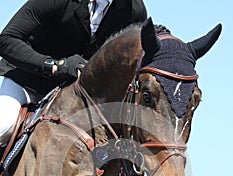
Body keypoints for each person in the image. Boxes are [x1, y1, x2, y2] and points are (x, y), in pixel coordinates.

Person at [0, 0, 147, 148]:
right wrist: (55, 66)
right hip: (27, 82)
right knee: (4, 127)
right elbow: (6, 39)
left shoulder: (133, 9)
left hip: (76, 92)